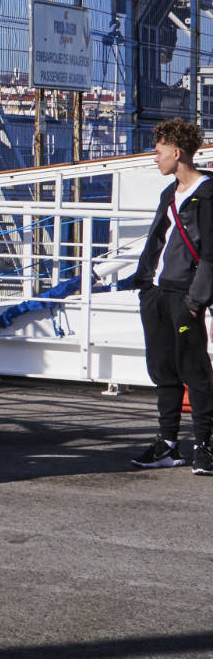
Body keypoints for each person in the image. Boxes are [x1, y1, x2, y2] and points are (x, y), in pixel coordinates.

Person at [127, 117, 213, 472]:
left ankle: (205, 445)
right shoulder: (170, 194)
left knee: (194, 370)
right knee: (162, 370)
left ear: (177, 153)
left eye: (159, 151)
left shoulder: (206, 196)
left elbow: (210, 255)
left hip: (184, 298)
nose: (154, 157)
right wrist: (145, 286)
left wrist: (195, 302)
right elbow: (159, 242)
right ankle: (168, 443)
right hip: (157, 293)